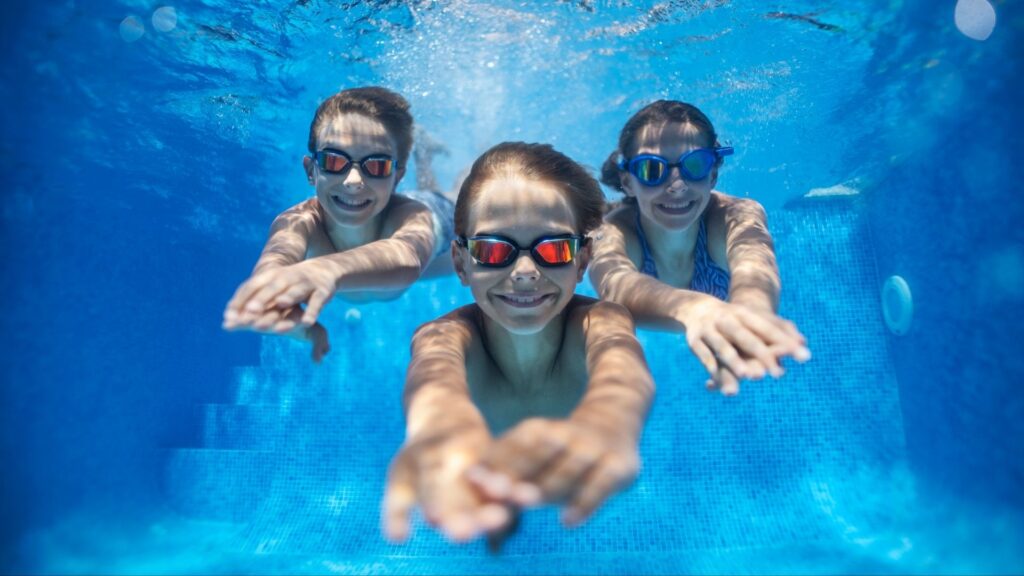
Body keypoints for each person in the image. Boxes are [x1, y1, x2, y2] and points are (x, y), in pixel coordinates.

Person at [383, 142, 655, 545]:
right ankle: (427, 158)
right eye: (493, 251)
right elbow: (433, 379)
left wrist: (611, 421)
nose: (525, 273)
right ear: (461, 264)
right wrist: (437, 426)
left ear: (582, 262)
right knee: (444, 203)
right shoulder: (444, 336)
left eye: (555, 248)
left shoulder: (599, 321)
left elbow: (623, 368)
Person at [589, 100, 810, 395]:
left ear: (713, 175)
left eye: (696, 165)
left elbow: (754, 263)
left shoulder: (737, 215)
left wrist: (750, 315)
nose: (677, 185)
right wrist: (695, 309)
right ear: (628, 182)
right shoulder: (613, 230)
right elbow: (615, 286)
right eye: (652, 170)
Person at [222, 87, 457, 361]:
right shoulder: (298, 222)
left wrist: (327, 269)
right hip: (384, 271)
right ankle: (424, 152)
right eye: (334, 160)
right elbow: (272, 272)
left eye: (377, 165)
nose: (353, 181)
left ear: (396, 177)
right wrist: (287, 314)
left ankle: (430, 153)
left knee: (465, 195)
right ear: (311, 171)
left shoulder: (411, 216)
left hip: (440, 228)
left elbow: (407, 258)